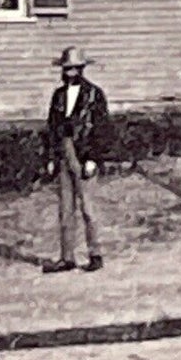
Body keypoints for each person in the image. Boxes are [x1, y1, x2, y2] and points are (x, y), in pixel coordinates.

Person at [42, 46, 111, 274]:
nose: (70, 72)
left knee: (88, 208)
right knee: (65, 209)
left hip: (84, 154)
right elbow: (52, 128)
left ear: (81, 69)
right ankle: (67, 257)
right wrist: (51, 157)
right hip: (64, 151)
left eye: (74, 68)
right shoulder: (59, 95)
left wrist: (93, 157)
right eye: (66, 68)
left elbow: (102, 129)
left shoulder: (94, 95)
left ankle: (95, 254)